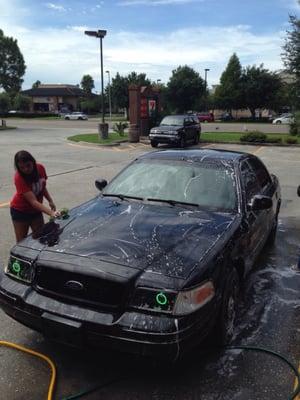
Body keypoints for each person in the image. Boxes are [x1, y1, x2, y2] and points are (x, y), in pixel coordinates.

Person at [10, 150, 60, 242]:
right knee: (22, 242)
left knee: (41, 237)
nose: (26, 169)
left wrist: (50, 200)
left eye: (28, 165)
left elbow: (42, 186)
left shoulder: (40, 168)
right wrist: (51, 213)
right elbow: (33, 201)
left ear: (33, 161)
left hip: (36, 211)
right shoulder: (18, 178)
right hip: (20, 212)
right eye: (22, 167)